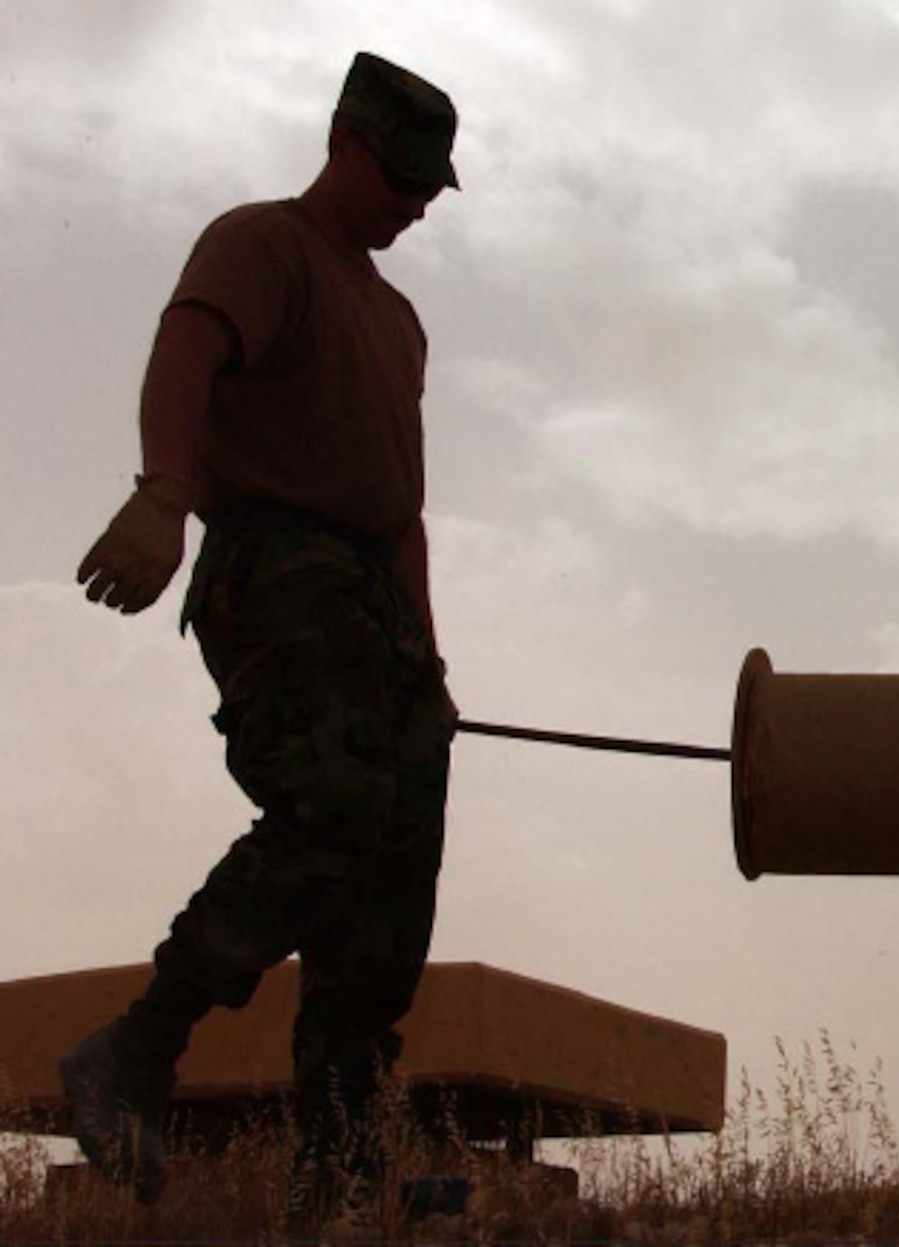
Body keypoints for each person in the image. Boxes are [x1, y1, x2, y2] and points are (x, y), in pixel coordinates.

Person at [61, 52, 461, 1227]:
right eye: (402, 175)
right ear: (344, 142)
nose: (418, 202)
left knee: (384, 902)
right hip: (277, 569)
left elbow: (399, 504)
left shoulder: (397, 321)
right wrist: (164, 495)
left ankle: (331, 1191)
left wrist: (428, 666)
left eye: (431, 185)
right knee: (333, 807)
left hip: (376, 604)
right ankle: (138, 1045)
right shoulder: (260, 244)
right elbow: (187, 346)